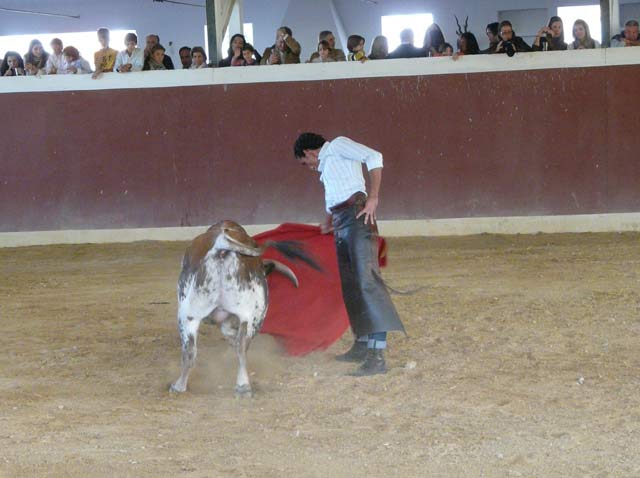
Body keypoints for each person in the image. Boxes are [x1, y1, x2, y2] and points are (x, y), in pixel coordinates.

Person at [293, 133, 405, 376]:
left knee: (367, 284)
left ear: (309, 152)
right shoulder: (328, 166)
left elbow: (374, 156)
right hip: (343, 222)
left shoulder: (337, 146)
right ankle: (363, 346)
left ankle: (376, 357)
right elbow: (337, 196)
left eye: (305, 163)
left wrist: (373, 197)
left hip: (357, 218)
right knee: (352, 286)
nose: (309, 167)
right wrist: (328, 220)